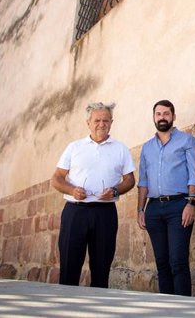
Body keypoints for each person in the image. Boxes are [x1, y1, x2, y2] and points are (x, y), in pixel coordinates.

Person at [51, 102, 136, 288]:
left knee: (101, 269)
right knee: (69, 266)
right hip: (75, 212)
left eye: (106, 120)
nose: (101, 124)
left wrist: (115, 191)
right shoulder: (74, 147)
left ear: (111, 123)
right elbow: (56, 179)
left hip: (105, 214)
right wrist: (72, 190)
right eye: (97, 120)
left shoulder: (120, 149)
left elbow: (130, 180)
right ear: (88, 122)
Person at [136, 100, 195, 296]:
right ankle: (166, 309)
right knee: (162, 263)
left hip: (179, 206)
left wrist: (191, 203)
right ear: (154, 117)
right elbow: (143, 181)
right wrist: (140, 210)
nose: (162, 117)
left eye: (166, 113)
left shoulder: (187, 141)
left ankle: (182, 310)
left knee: (178, 261)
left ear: (173, 116)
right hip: (153, 209)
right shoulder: (147, 148)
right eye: (158, 114)